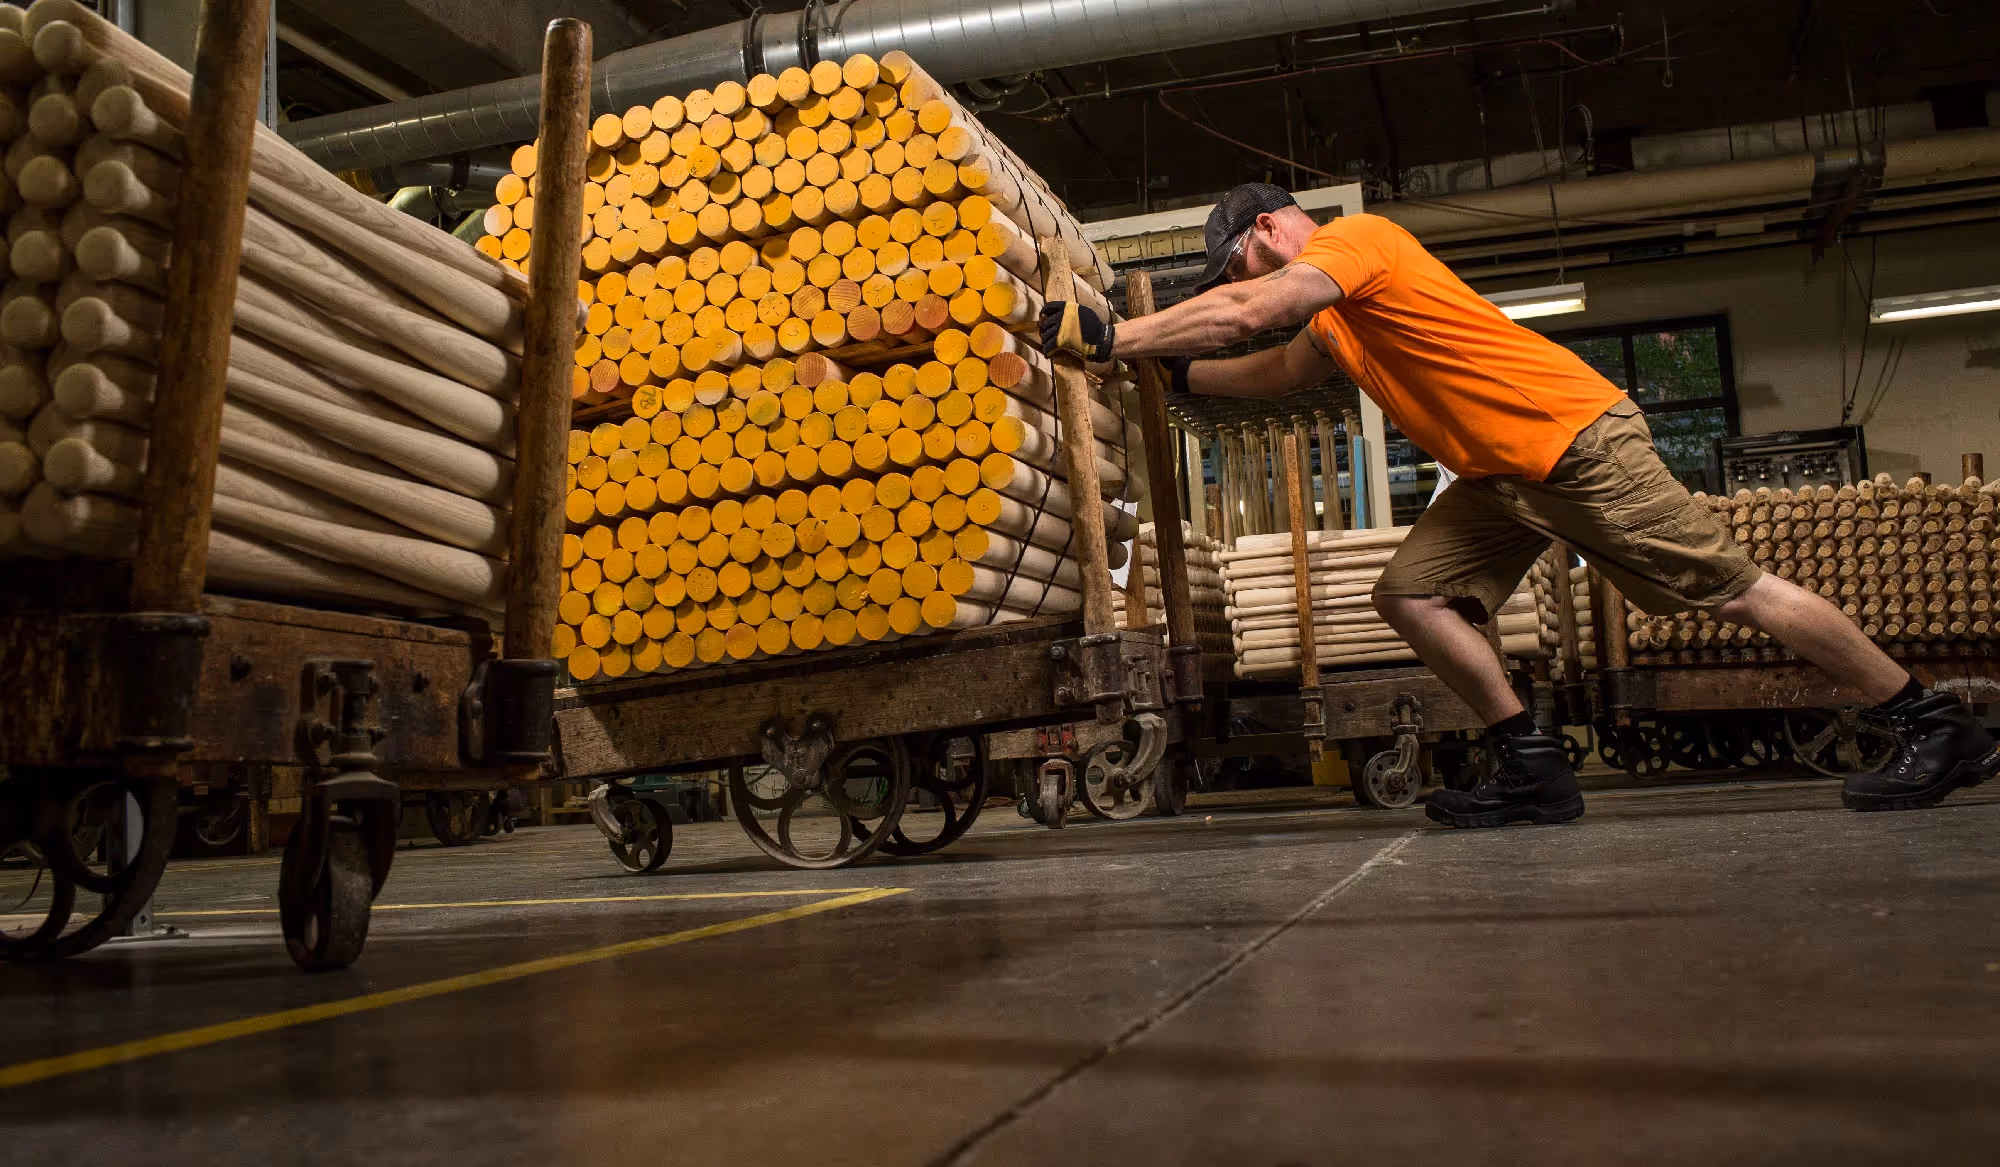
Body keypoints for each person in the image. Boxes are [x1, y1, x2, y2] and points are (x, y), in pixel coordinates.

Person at [1038, 183, 1998, 828]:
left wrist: (1115, 334)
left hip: (1573, 440)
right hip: (1500, 475)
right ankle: (1530, 762)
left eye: (1241, 266)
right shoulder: (1336, 322)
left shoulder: (1352, 244)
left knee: (1736, 590)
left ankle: (1929, 720)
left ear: (1266, 232)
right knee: (1410, 591)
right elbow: (1269, 366)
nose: (1247, 284)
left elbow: (1259, 313)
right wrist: (1175, 374)